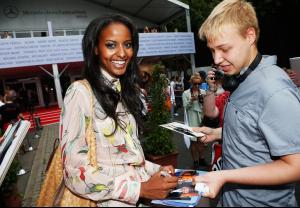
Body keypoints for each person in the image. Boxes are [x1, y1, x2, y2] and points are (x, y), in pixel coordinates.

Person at [60, 14, 178, 207]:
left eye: (128, 44)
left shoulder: (125, 92)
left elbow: (126, 160)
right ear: (95, 48)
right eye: (111, 45)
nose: (122, 53)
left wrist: (157, 169)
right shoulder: (80, 93)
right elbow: (73, 172)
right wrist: (139, 189)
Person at [193, 0, 300, 206]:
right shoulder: (241, 78)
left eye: (224, 48)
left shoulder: (274, 90)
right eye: (212, 50)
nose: (216, 59)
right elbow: (256, 130)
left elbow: (296, 166)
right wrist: (215, 133)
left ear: (249, 36)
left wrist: (225, 176)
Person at [182, 73, 206, 169]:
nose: (197, 86)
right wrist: (191, 100)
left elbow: (207, 105)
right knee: (193, 142)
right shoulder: (186, 93)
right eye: (195, 84)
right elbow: (185, 106)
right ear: (191, 83)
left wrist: (203, 100)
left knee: (201, 141)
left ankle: (202, 159)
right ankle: (195, 160)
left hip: (201, 118)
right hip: (191, 118)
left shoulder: (203, 92)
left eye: (199, 84)